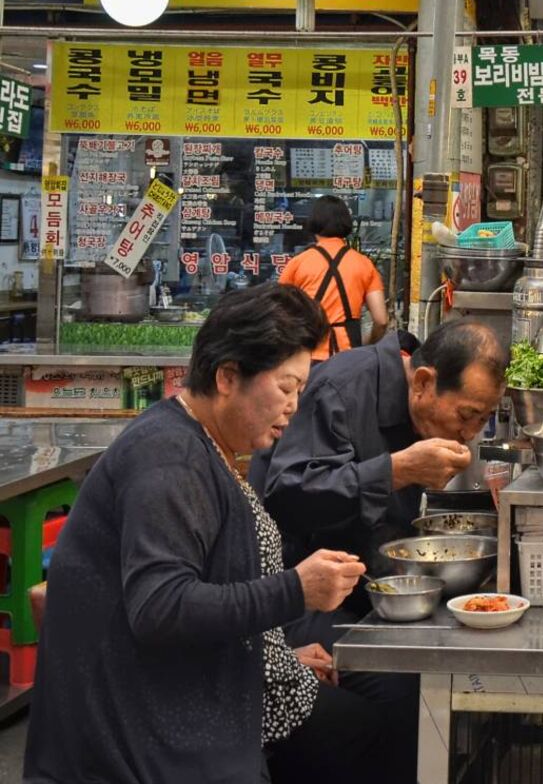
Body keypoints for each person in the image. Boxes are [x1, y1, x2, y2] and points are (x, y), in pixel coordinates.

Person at [25, 283, 366, 783]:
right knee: (376, 735)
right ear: (228, 376)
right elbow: (161, 608)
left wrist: (270, 654)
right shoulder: (169, 457)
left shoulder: (203, 445)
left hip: (186, 703)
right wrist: (296, 590)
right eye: (286, 387)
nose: (294, 406)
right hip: (139, 744)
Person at [252, 320, 508, 586]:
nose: (470, 433)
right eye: (465, 415)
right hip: (293, 585)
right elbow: (287, 497)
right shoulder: (340, 389)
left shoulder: (417, 411)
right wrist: (396, 471)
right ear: (422, 382)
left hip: (371, 580)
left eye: (482, 419)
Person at [280, 194, 389, 360]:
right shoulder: (364, 264)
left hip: (307, 357)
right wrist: (367, 345)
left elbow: (279, 314)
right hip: (348, 356)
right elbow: (381, 320)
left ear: (314, 222)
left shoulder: (298, 263)